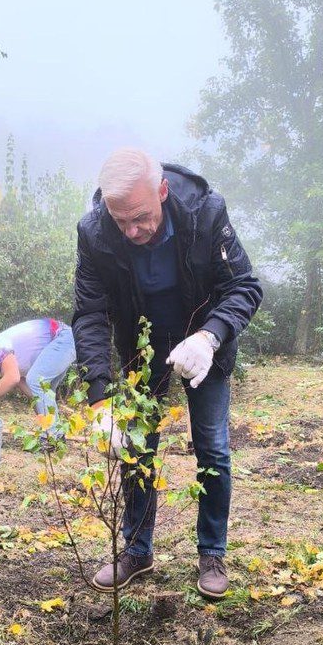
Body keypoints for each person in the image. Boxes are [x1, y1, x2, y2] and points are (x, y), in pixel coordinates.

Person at [73, 149, 262, 598]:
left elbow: (245, 285)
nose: (132, 231)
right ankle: (137, 550)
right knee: (137, 449)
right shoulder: (96, 232)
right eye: (122, 222)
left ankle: (212, 553)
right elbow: (90, 313)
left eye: (140, 218)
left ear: (161, 191)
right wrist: (98, 399)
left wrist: (211, 336)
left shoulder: (206, 212)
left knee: (213, 449)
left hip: (203, 342)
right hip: (143, 346)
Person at [0, 318, 76, 426]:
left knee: (35, 382)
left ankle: (53, 436)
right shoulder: (1, 365)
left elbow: (12, 378)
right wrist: (43, 424)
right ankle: (52, 435)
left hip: (63, 337)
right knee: (42, 391)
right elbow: (33, 395)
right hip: (61, 341)